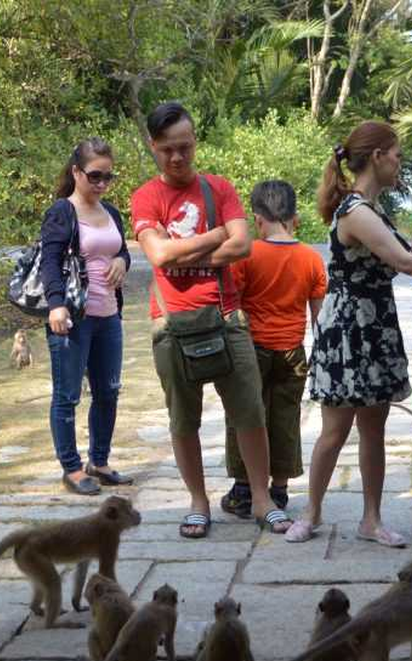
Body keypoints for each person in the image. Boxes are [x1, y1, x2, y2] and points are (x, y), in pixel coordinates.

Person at [131, 102, 291, 538]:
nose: (177, 157)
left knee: (250, 411)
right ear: (153, 147)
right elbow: (159, 256)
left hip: (227, 316)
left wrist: (189, 249)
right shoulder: (145, 196)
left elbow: (241, 246)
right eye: (166, 150)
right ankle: (198, 502)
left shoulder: (219, 189)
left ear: (195, 141)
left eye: (184, 147)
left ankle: (262, 498)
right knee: (184, 419)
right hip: (171, 321)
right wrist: (216, 234)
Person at [284, 122, 412, 545]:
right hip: (351, 328)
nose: (399, 162)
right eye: (397, 155)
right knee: (336, 428)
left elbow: (395, 259)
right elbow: (401, 262)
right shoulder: (356, 211)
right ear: (378, 156)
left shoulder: (373, 209)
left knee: (374, 427)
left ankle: (371, 519)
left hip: (375, 323)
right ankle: (311, 512)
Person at [220, 180, 327, 517]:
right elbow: (319, 319)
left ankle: (243, 490)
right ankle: (278, 490)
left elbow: (231, 306)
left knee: (245, 416)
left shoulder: (246, 254)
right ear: (294, 217)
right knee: (285, 417)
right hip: (293, 351)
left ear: (257, 219)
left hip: (252, 349)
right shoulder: (311, 258)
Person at [41, 137, 132, 496]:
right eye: (95, 176)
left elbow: (122, 249)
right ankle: (72, 468)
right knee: (68, 395)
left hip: (109, 315)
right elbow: (49, 260)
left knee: (108, 392)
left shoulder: (111, 211)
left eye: (109, 177)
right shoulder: (62, 212)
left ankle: (100, 461)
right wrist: (55, 304)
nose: (102, 184)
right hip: (74, 318)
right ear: (76, 172)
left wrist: (123, 261)